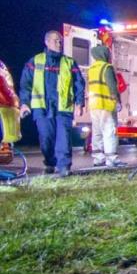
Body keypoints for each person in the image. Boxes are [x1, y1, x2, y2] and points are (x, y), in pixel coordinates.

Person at [19, 30, 85, 177]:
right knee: (46, 139)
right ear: (47, 42)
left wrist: (79, 103)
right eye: (55, 40)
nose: (59, 43)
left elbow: (79, 83)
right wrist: (24, 103)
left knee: (64, 138)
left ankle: (64, 166)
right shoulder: (35, 61)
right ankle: (50, 162)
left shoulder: (69, 62)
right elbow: (26, 84)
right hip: (42, 108)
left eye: (60, 41)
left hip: (63, 108)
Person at [87, 46, 125, 167]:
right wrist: (117, 101)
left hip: (94, 105)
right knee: (110, 131)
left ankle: (98, 158)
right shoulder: (106, 68)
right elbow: (112, 87)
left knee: (97, 132)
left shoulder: (91, 68)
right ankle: (111, 158)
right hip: (106, 105)